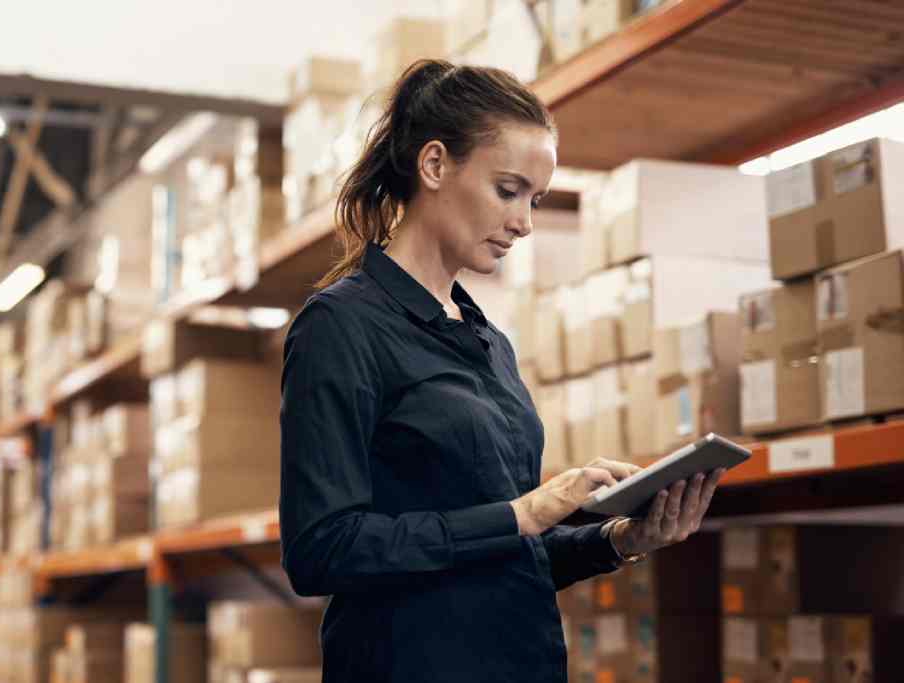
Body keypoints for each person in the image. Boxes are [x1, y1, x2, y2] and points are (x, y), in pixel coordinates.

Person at [278, 60, 724, 683]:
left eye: (534, 200)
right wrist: (525, 511)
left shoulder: (487, 341)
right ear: (434, 165)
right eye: (508, 190)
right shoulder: (341, 326)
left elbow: (504, 557)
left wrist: (619, 538)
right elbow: (320, 549)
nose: (524, 222)